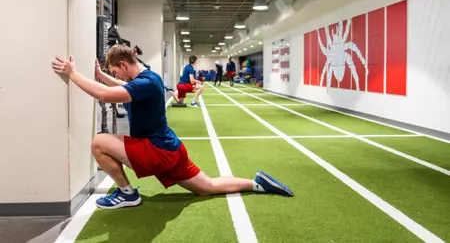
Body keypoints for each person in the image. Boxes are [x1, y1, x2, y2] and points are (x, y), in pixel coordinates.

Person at [51, 45, 293, 210]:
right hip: (171, 148)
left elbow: (105, 94)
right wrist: (102, 76)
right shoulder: (149, 78)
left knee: (99, 142)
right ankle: (257, 183)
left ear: (124, 64)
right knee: (207, 187)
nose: (117, 76)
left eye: (115, 71)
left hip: (157, 150)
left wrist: (73, 74)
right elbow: (118, 87)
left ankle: (127, 194)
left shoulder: (142, 83)